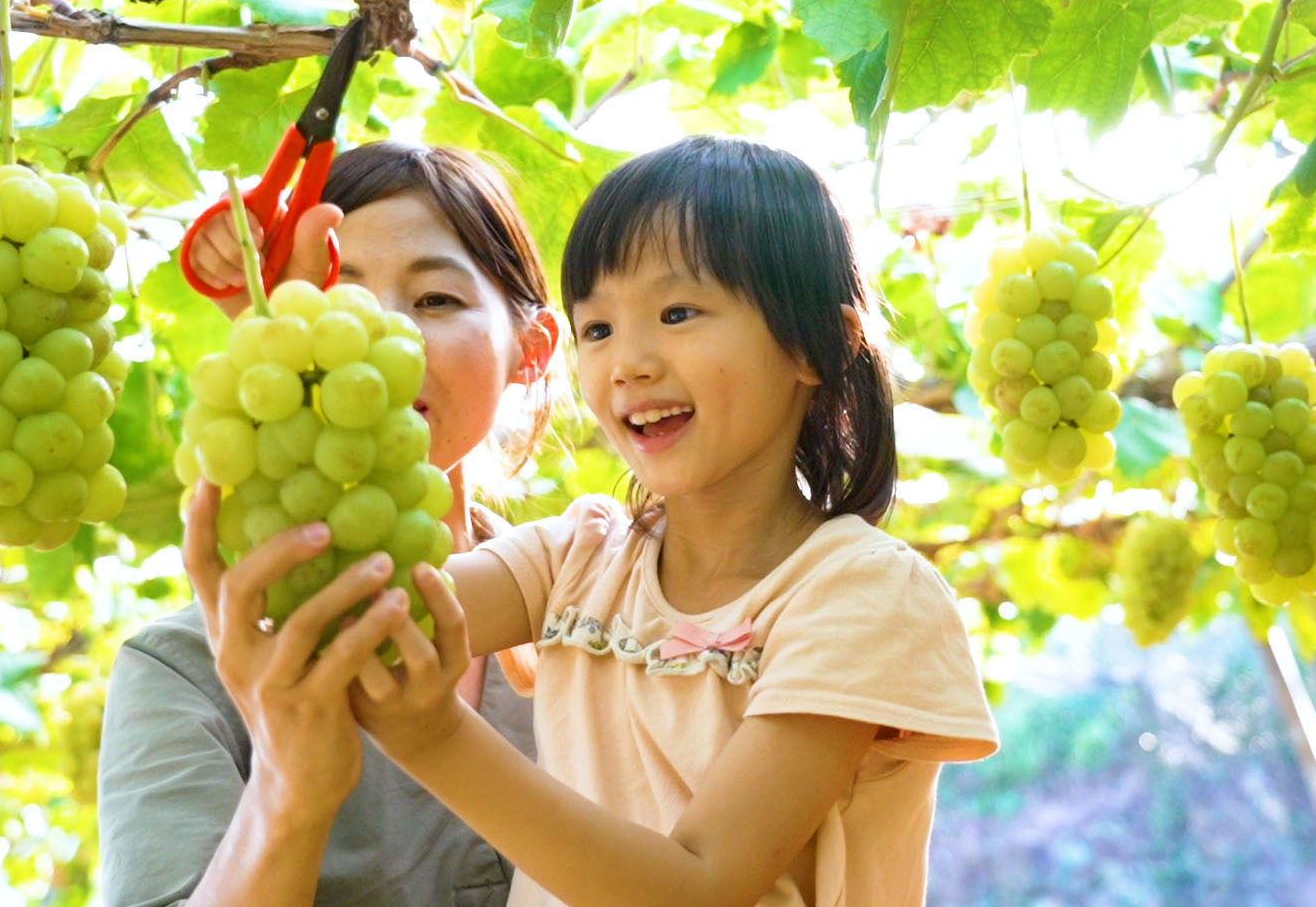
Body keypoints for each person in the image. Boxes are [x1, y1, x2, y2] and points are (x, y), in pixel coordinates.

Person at [345, 136, 1000, 907]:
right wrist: (266, 316)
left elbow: (701, 886)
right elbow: (363, 620)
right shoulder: (577, 558)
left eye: (677, 312)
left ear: (814, 345)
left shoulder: (864, 597)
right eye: (598, 329)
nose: (628, 363)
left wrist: (435, 737)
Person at [98, 142, 561, 907]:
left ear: (532, 350)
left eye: (436, 300)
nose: (382, 340)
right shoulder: (181, 669)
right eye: (335, 296)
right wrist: (288, 793)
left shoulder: (602, 612)